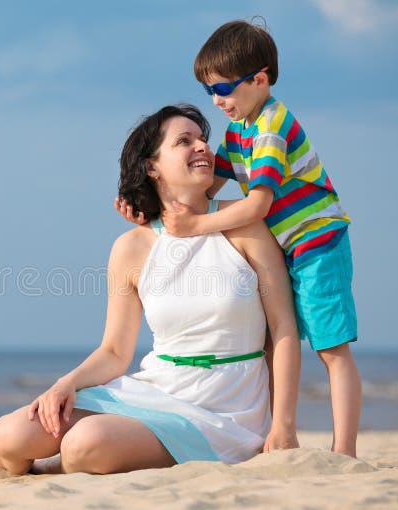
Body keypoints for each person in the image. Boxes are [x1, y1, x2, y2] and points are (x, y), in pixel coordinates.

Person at [0, 104, 300, 476]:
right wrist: (65, 384)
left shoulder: (245, 224)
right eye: (184, 141)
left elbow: (283, 329)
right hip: (156, 388)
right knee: (8, 435)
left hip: (226, 412)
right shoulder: (131, 248)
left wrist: (283, 425)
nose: (201, 146)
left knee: (83, 444)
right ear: (152, 167)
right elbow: (115, 351)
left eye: (203, 139)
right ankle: (15, 463)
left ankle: (42, 470)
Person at [116, 20, 361, 457]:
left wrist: (193, 227)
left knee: (332, 350)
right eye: (210, 90)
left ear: (260, 79)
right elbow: (207, 189)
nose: (216, 101)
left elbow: (257, 206)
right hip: (289, 246)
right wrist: (148, 210)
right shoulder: (239, 131)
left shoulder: (270, 127)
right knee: (270, 335)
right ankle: (280, 431)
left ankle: (345, 452)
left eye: (224, 89)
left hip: (317, 244)